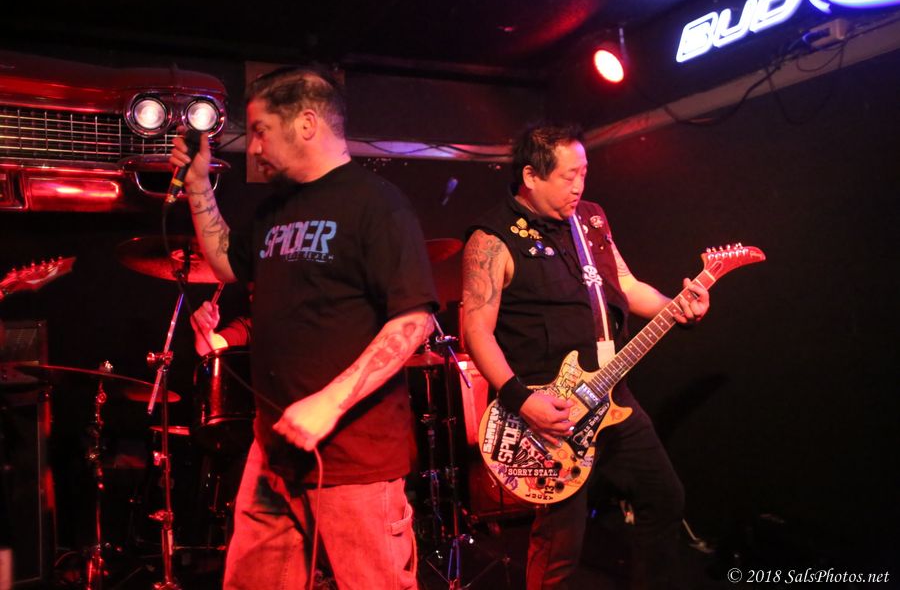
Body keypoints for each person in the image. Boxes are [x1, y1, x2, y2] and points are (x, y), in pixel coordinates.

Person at [170, 66, 439, 590]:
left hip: (353, 460)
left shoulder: (376, 204)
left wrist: (329, 403)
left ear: (307, 123)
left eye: (261, 131)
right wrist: (198, 185)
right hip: (273, 449)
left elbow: (414, 321)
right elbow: (226, 263)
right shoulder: (275, 208)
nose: (253, 148)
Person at [461, 123, 710, 590]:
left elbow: (625, 285)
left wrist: (676, 306)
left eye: (584, 173)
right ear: (531, 176)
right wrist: (523, 402)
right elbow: (475, 332)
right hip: (550, 413)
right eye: (568, 176)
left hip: (611, 393)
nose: (579, 186)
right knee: (561, 545)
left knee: (664, 497)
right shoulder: (492, 239)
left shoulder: (590, 219)